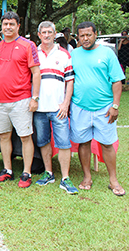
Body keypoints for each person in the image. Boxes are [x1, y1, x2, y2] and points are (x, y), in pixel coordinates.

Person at [70, 21, 126, 196]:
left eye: (88, 35)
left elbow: (117, 81)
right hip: (80, 107)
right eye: (82, 35)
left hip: (104, 107)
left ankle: (113, 180)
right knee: (83, 143)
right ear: (77, 37)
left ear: (96, 34)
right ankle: (87, 177)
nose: (85, 38)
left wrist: (115, 106)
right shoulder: (74, 54)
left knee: (107, 144)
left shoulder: (107, 53)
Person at [0, 11, 40, 188]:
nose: (8, 27)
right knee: (4, 137)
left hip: (22, 99)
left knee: (25, 137)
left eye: (12, 24)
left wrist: (35, 97)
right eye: (5, 24)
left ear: (18, 26)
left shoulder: (28, 45)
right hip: (0, 100)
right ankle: (8, 170)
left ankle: (26, 173)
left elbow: (36, 72)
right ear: (2, 26)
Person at [34, 21, 78, 194]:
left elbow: (70, 81)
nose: (46, 35)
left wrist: (66, 103)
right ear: (39, 35)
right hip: (39, 108)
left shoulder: (65, 54)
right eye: (43, 32)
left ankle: (65, 178)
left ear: (55, 34)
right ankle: (49, 173)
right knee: (43, 142)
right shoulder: (34, 53)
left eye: (49, 32)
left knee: (64, 143)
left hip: (58, 108)